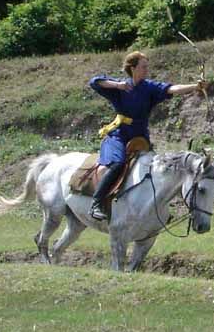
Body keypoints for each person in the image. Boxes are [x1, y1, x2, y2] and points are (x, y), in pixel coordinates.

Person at [88, 50, 207, 220]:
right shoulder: (120, 86)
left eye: (146, 66)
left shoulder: (149, 87)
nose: (146, 70)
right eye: (143, 66)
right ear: (133, 68)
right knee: (118, 164)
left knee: (155, 169)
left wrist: (195, 86)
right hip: (119, 136)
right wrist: (117, 85)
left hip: (140, 138)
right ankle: (96, 203)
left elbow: (171, 89)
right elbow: (95, 82)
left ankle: (156, 210)